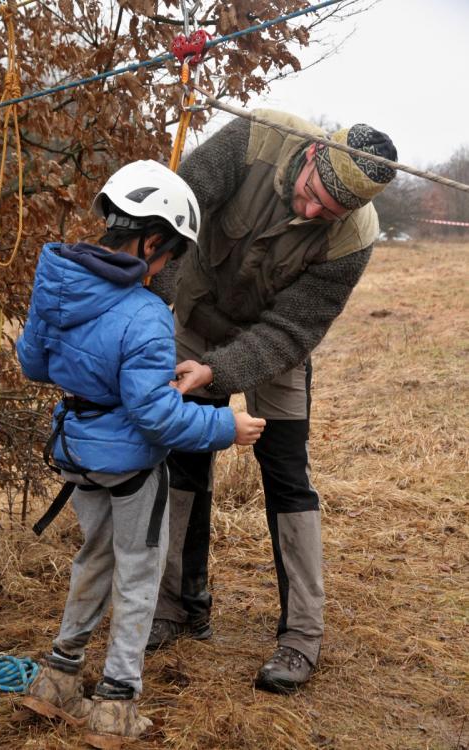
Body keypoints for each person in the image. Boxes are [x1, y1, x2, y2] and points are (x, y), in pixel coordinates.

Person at [16, 160, 265, 748]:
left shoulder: (57, 284)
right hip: (128, 465)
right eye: (169, 257)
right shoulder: (146, 312)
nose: (165, 270)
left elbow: (34, 363)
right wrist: (225, 425)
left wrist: (114, 375)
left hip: (78, 452)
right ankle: (116, 703)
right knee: (139, 573)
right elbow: (155, 415)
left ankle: (57, 678)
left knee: (95, 557)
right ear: (151, 241)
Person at [148, 110, 398, 694]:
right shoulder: (250, 139)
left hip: (274, 343)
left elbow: (290, 332)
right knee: (184, 456)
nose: (313, 213)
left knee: (287, 472)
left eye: (329, 213)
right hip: (194, 316)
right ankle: (180, 606)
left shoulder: (353, 239)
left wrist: (222, 369)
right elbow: (174, 215)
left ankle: (301, 639)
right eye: (313, 196)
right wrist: (153, 305)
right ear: (311, 155)